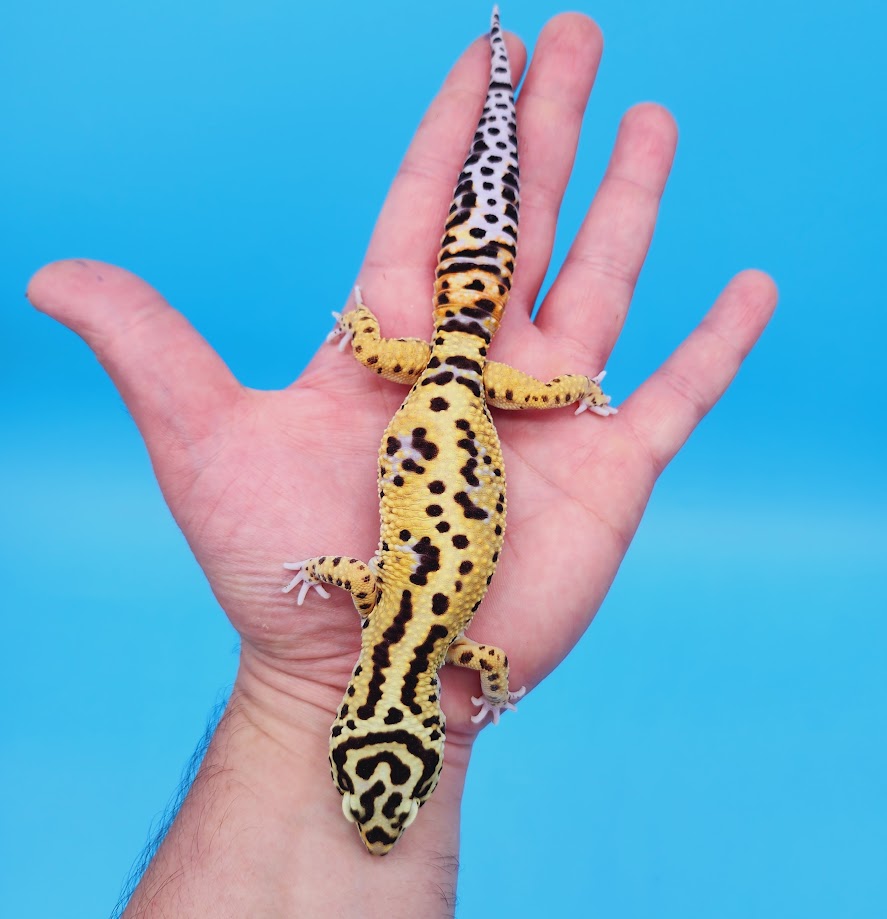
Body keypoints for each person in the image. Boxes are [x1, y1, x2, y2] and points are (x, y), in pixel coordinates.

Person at [27, 14, 775, 918]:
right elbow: (368, 584)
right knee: (489, 221)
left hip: (452, 379)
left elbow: (489, 660)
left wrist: (490, 685)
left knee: (493, 227)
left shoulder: (447, 646)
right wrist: (325, 574)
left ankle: (500, 82)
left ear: (367, 726)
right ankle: (497, 85)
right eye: (391, 799)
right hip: (450, 378)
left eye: (374, 795)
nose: (379, 820)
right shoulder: (379, 602)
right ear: (388, 725)